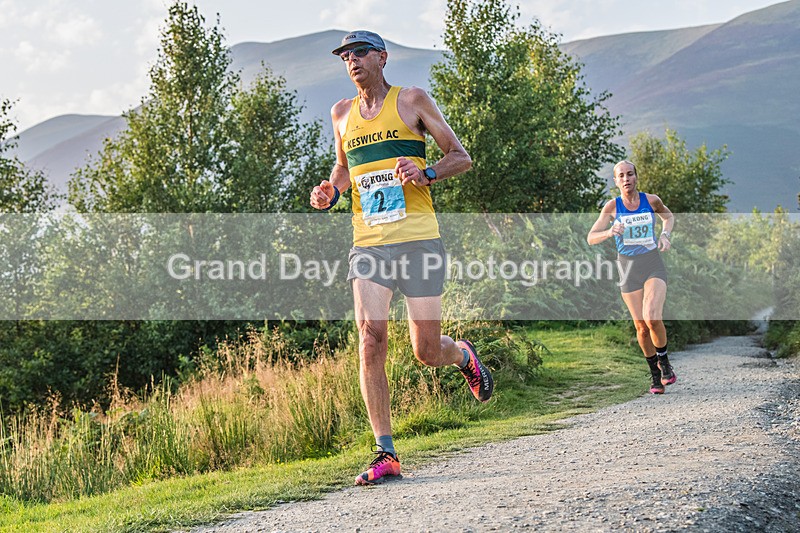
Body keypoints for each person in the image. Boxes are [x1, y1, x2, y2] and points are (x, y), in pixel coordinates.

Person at [309, 30, 494, 485]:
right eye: (344, 56)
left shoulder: (411, 100)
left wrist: (426, 171)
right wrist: (332, 189)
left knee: (425, 351)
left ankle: (462, 355)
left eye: (359, 53)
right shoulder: (341, 113)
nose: (351, 61)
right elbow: (344, 168)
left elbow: (461, 156)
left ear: (382, 57)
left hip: (417, 239)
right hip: (368, 242)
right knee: (370, 339)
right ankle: (384, 451)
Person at [587, 160, 677, 394]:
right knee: (640, 327)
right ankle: (655, 375)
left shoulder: (651, 200)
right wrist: (609, 231)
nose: (626, 179)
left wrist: (665, 236)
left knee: (652, 317)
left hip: (652, 263)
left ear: (636, 177)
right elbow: (591, 237)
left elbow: (668, 217)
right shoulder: (612, 207)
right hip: (627, 268)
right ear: (616, 182)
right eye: (621, 176)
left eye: (630, 174)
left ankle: (664, 362)